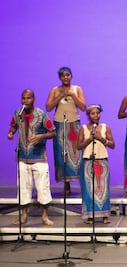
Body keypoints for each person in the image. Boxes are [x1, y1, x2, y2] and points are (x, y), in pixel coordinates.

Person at [7, 89, 56, 225]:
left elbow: (53, 132)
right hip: (22, 156)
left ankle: (45, 216)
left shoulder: (41, 115)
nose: (25, 101)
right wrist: (11, 133)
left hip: (39, 157)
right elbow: (13, 127)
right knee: (23, 187)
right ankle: (23, 216)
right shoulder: (18, 113)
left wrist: (41, 136)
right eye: (23, 98)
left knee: (43, 187)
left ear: (33, 99)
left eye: (28, 98)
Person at [46, 66, 86, 195]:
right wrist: (60, 96)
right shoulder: (55, 90)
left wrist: (73, 95)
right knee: (62, 154)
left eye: (68, 75)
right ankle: (66, 184)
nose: (66, 77)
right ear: (60, 77)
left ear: (71, 76)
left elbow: (84, 107)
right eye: (63, 75)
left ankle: (82, 183)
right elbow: (48, 107)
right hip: (60, 124)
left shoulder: (77, 89)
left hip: (74, 125)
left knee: (77, 155)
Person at [77, 104, 115, 224]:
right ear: (88, 115)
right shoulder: (83, 128)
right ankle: (90, 215)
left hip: (102, 159)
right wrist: (89, 139)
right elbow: (78, 146)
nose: (96, 115)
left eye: (97, 113)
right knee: (89, 188)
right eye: (93, 113)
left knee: (102, 188)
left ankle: (104, 215)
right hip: (88, 160)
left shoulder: (105, 127)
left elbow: (112, 145)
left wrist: (101, 139)